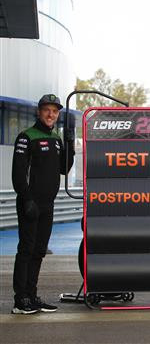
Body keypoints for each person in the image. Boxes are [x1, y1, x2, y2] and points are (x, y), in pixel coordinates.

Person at [11, 94, 75, 314]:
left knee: (39, 252)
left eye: (55, 111)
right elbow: (18, 174)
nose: (51, 114)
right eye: (47, 110)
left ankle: (32, 295)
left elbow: (64, 169)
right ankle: (20, 300)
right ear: (39, 112)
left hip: (48, 204)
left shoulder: (56, 138)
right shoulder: (26, 136)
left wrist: (70, 144)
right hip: (30, 203)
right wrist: (27, 199)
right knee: (26, 250)